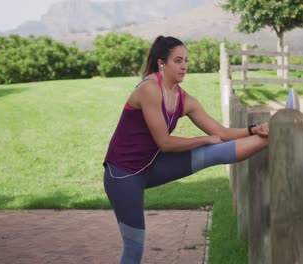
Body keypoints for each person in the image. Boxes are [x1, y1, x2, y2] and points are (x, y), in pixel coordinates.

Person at [103, 35, 269, 264]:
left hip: (152, 165)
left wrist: (255, 130)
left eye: (186, 60)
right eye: (178, 60)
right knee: (134, 246)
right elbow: (165, 142)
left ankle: (274, 136)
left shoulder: (184, 99)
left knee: (214, 152)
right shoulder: (149, 89)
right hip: (123, 174)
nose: (184, 66)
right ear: (162, 64)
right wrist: (204, 139)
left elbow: (221, 132)